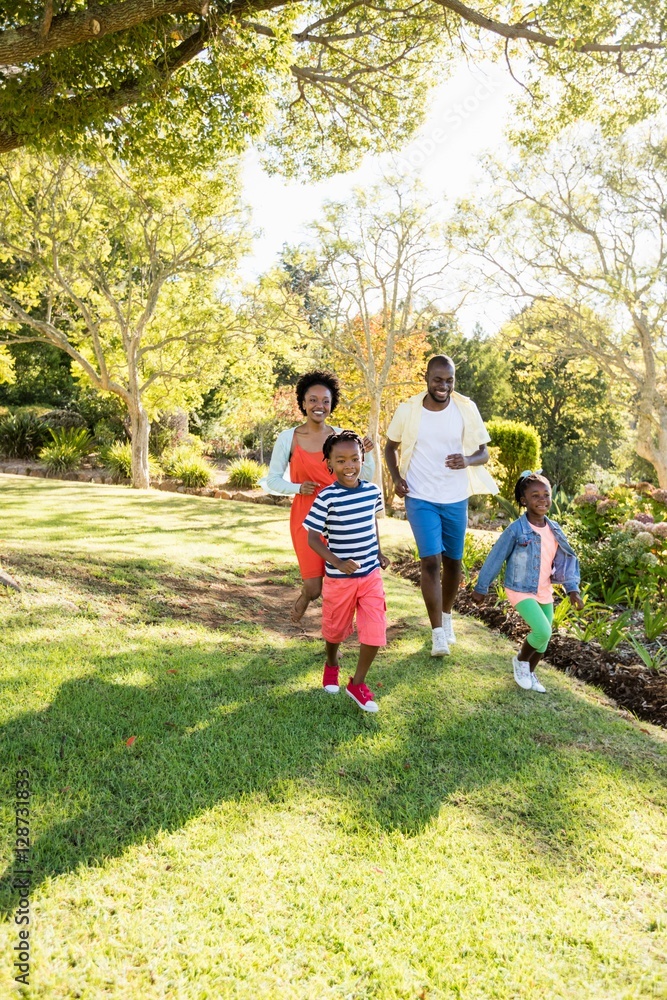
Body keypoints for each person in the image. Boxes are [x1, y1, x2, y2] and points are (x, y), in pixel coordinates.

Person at [384, 354, 498, 657]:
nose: (443, 386)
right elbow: (390, 447)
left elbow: (483, 453)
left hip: (454, 497)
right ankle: (436, 633)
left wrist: (467, 459)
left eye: (449, 380)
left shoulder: (466, 408)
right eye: (438, 379)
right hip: (420, 495)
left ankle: (447, 618)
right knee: (430, 561)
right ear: (426, 378)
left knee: (453, 562)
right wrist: (396, 478)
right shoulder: (408, 410)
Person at [263, 371, 375, 622]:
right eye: (312, 400)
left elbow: (363, 477)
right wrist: (297, 487)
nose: (319, 406)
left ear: (331, 404)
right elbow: (272, 480)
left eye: (325, 400)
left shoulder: (342, 437)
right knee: (315, 588)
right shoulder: (288, 438)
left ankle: (335, 636)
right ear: (302, 403)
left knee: (341, 582)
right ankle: (306, 596)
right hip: (306, 517)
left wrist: (368, 454)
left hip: (340, 517)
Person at [471, 471, 584, 692]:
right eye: (535, 495)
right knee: (543, 631)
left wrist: (573, 590)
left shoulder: (555, 530)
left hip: (544, 589)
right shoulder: (517, 530)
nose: (542, 500)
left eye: (546, 494)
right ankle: (521, 662)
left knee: (543, 640)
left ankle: (530, 673)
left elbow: (567, 560)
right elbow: (496, 556)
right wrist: (481, 586)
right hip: (520, 588)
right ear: (524, 501)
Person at [304, 431, 389, 713]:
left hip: (370, 576)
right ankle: (331, 663)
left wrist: (378, 551)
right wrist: (338, 563)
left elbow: (371, 525)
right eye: (340, 461)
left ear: (362, 459)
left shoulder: (373, 492)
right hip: (339, 580)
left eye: (354, 459)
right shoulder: (326, 498)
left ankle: (357, 683)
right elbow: (313, 538)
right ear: (329, 463)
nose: (349, 465)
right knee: (335, 630)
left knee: (376, 629)